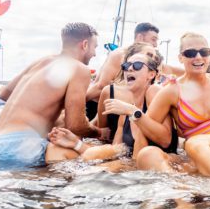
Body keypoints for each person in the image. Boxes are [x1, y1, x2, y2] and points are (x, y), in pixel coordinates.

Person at [0, 23, 104, 167]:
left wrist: (46, 113)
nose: (95, 53)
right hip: (20, 146)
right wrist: (99, 132)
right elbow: (76, 126)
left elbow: (4, 95)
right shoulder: (80, 69)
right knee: (90, 165)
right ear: (85, 44)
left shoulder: (42, 61)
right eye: (95, 47)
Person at [134, 32, 210, 177]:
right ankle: (179, 191)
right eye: (190, 53)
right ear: (180, 58)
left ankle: (186, 192)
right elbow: (145, 129)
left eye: (204, 52)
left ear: (209, 55)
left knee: (197, 144)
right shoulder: (171, 91)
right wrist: (136, 160)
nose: (198, 57)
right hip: (199, 155)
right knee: (148, 155)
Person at [48, 50, 179, 165]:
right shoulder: (126, 110)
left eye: (137, 65)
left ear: (151, 74)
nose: (130, 69)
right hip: (132, 165)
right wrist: (75, 144)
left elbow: (165, 141)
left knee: (96, 170)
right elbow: (117, 151)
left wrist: (133, 112)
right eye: (126, 66)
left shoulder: (154, 92)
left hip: (154, 163)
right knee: (55, 149)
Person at [85, 23, 183, 119]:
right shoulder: (119, 54)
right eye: (153, 39)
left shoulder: (152, 61)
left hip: (124, 108)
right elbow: (100, 86)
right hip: (99, 105)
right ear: (140, 37)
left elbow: (172, 69)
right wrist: (78, 104)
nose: (156, 44)